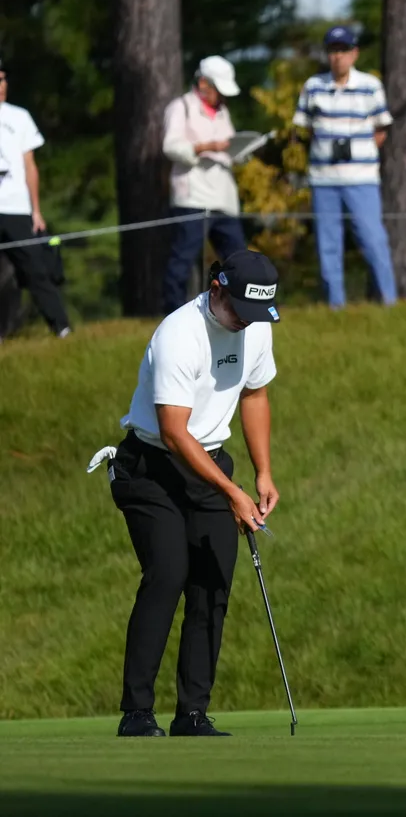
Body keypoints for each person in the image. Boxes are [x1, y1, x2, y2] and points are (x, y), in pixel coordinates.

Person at [97, 249, 281, 738]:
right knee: (168, 573)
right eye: (241, 308)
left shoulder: (255, 326)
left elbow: (255, 394)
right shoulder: (179, 334)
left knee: (212, 581)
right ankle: (137, 712)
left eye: (257, 311)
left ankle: (192, 714)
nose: (247, 321)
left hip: (210, 462)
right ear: (217, 289)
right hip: (151, 468)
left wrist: (263, 473)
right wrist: (232, 492)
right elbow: (174, 432)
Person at [293, 25, 398, 309]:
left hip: (362, 178)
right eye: (332, 50)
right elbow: (304, 129)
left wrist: (361, 152)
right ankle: (335, 305)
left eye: (343, 50)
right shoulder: (313, 86)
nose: (337, 56)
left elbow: (381, 129)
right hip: (323, 178)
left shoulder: (370, 85)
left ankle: (388, 300)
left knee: (373, 239)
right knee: (328, 245)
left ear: (354, 53)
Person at [161, 56, 247, 314]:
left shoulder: (223, 113)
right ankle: (174, 313)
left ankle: (244, 308)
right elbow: (170, 146)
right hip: (193, 196)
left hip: (223, 198)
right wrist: (205, 147)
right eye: (219, 89)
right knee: (183, 258)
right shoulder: (180, 107)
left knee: (237, 257)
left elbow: (230, 147)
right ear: (203, 84)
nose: (222, 96)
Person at [0, 58, 72, 338]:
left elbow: (30, 166)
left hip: (16, 207)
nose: (1, 85)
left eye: (3, 79)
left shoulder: (19, 117)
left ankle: (62, 328)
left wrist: (36, 210)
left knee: (35, 270)